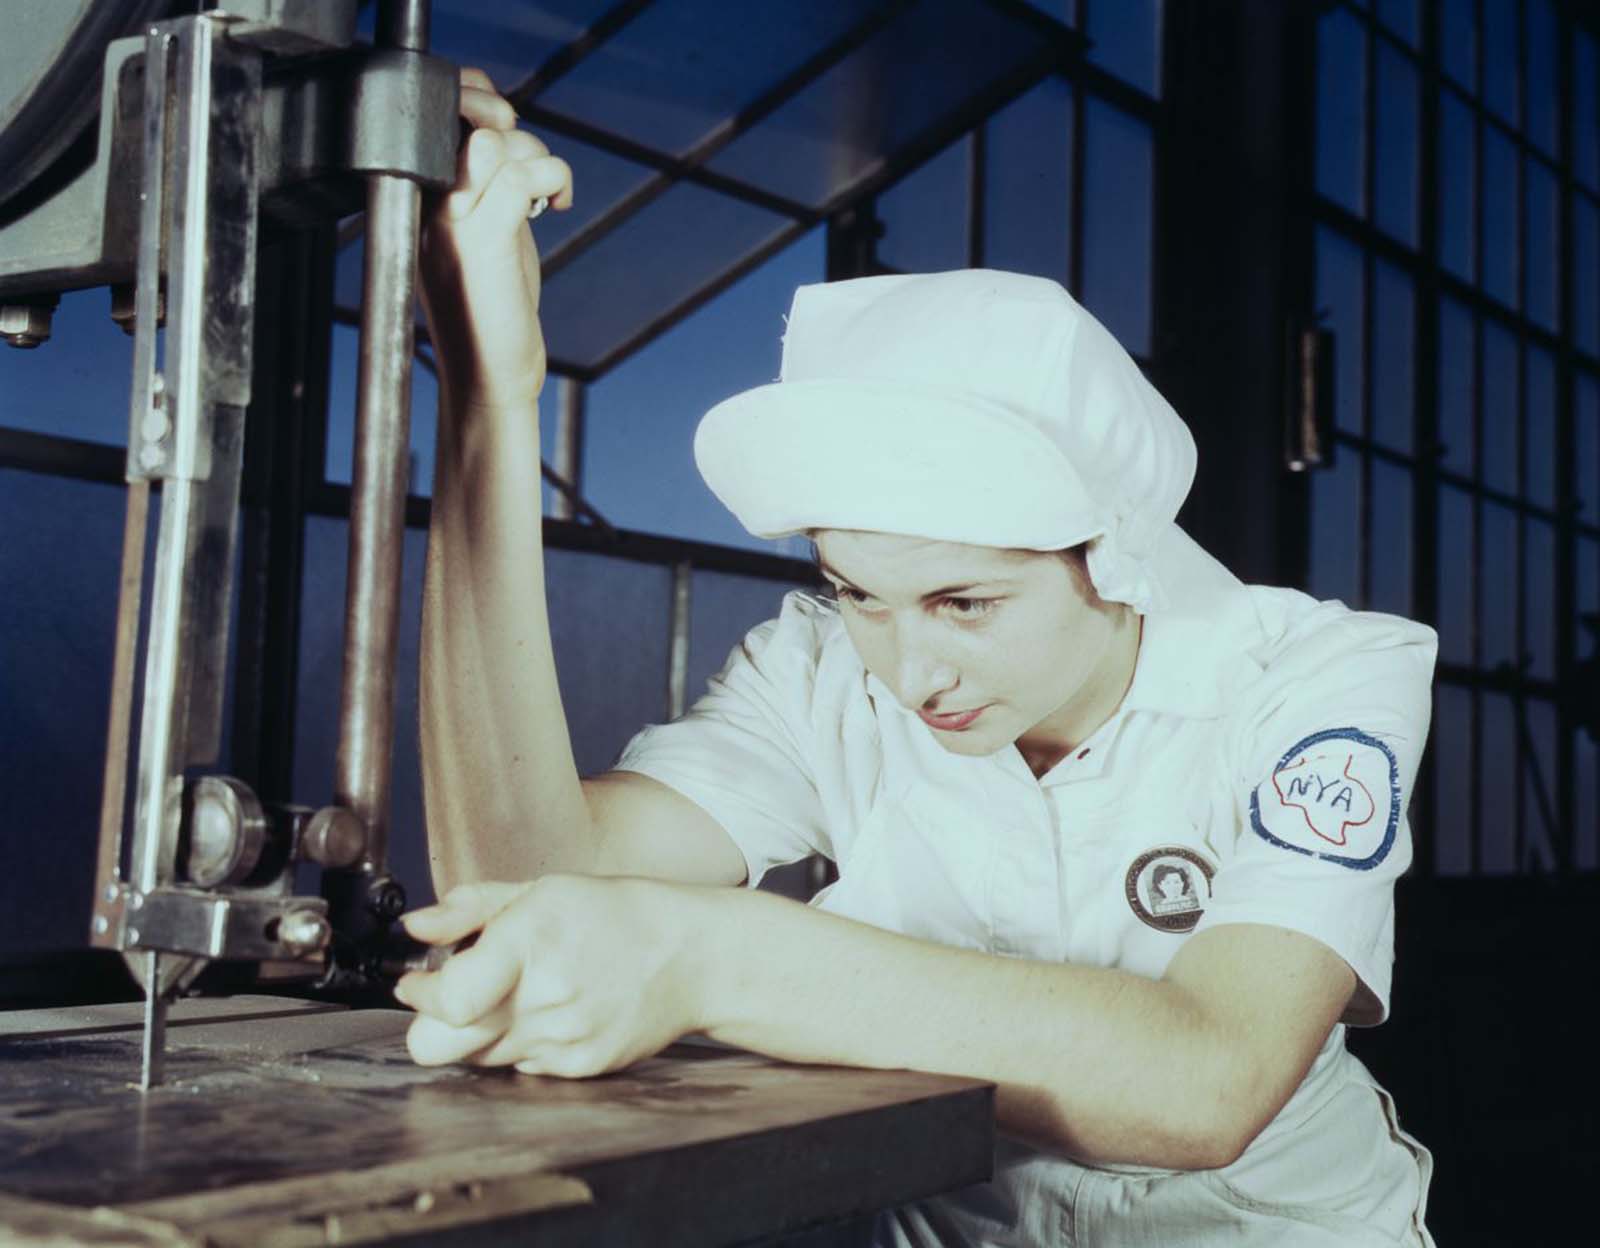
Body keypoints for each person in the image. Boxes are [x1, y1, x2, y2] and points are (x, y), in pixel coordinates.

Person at [396, 69, 1438, 1247]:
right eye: (854, 594)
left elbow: (1209, 1082)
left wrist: (707, 955)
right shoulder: (819, 674)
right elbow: (526, 880)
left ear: (1114, 549)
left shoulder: (1318, 676)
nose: (908, 669)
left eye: (966, 601)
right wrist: (488, 397)